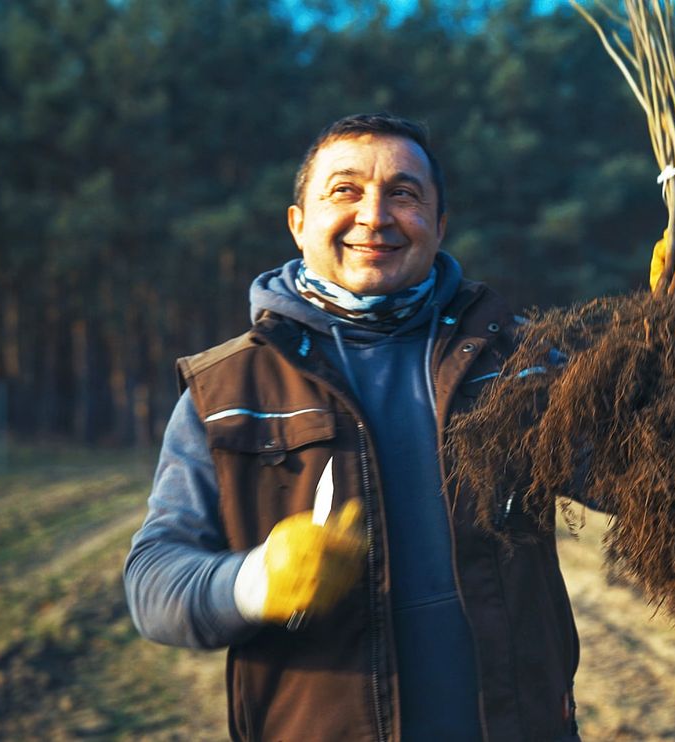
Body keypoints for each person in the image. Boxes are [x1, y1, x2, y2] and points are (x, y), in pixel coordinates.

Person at [124, 113, 580, 741]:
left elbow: (639, 476)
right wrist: (253, 584)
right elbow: (151, 583)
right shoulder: (228, 388)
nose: (375, 216)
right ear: (298, 223)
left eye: (404, 193)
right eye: (345, 190)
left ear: (439, 225)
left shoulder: (521, 360)